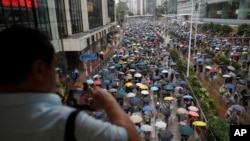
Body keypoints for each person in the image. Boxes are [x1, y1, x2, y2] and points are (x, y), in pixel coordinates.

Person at [0, 25, 141, 141]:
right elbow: (131, 138)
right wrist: (110, 103)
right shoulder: (68, 122)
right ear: (39, 69)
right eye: (54, 67)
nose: (55, 74)